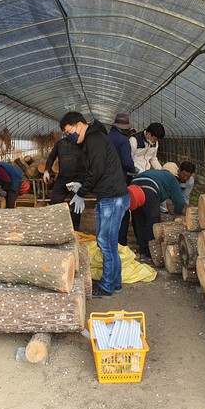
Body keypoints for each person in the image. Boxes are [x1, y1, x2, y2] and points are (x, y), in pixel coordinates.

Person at [60, 112, 129, 298]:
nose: (69, 136)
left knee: (105, 244)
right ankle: (115, 283)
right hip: (110, 197)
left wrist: (82, 192)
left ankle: (106, 287)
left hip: (112, 198)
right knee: (109, 244)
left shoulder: (94, 139)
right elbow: (94, 169)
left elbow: (97, 168)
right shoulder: (91, 141)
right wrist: (81, 184)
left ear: (80, 125)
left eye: (69, 132)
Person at [130, 166, 187, 264]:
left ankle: (143, 252)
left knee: (139, 223)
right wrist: (178, 213)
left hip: (133, 187)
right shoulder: (172, 179)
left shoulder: (157, 174)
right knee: (153, 223)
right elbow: (179, 201)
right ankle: (150, 254)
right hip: (149, 189)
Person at [43, 135, 85, 230]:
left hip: (77, 179)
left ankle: (75, 229)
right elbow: (51, 157)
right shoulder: (60, 143)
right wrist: (46, 170)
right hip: (62, 178)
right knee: (55, 200)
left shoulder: (82, 142)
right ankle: (56, 226)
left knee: (76, 205)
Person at [107, 113, 137, 246]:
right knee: (123, 213)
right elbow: (126, 162)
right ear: (123, 128)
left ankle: (108, 240)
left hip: (106, 180)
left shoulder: (107, 138)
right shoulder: (123, 140)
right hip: (119, 179)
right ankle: (121, 242)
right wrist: (134, 168)